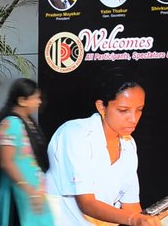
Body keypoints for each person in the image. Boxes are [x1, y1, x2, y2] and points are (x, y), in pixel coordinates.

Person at [46, 67, 162, 226]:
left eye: (139, 110)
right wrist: (133, 220)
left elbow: (131, 205)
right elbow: (86, 202)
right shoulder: (75, 134)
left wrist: (142, 220)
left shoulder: (128, 144)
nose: (133, 118)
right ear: (101, 107)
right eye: (123, 110)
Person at [0, 78, 54, 226]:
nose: (39, 102)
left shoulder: (27, 121)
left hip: (34, 191)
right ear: (22, 100)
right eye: (36, 98)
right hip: (18, 192)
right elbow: (7, 162)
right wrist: (27, 188)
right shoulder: (9, 124)